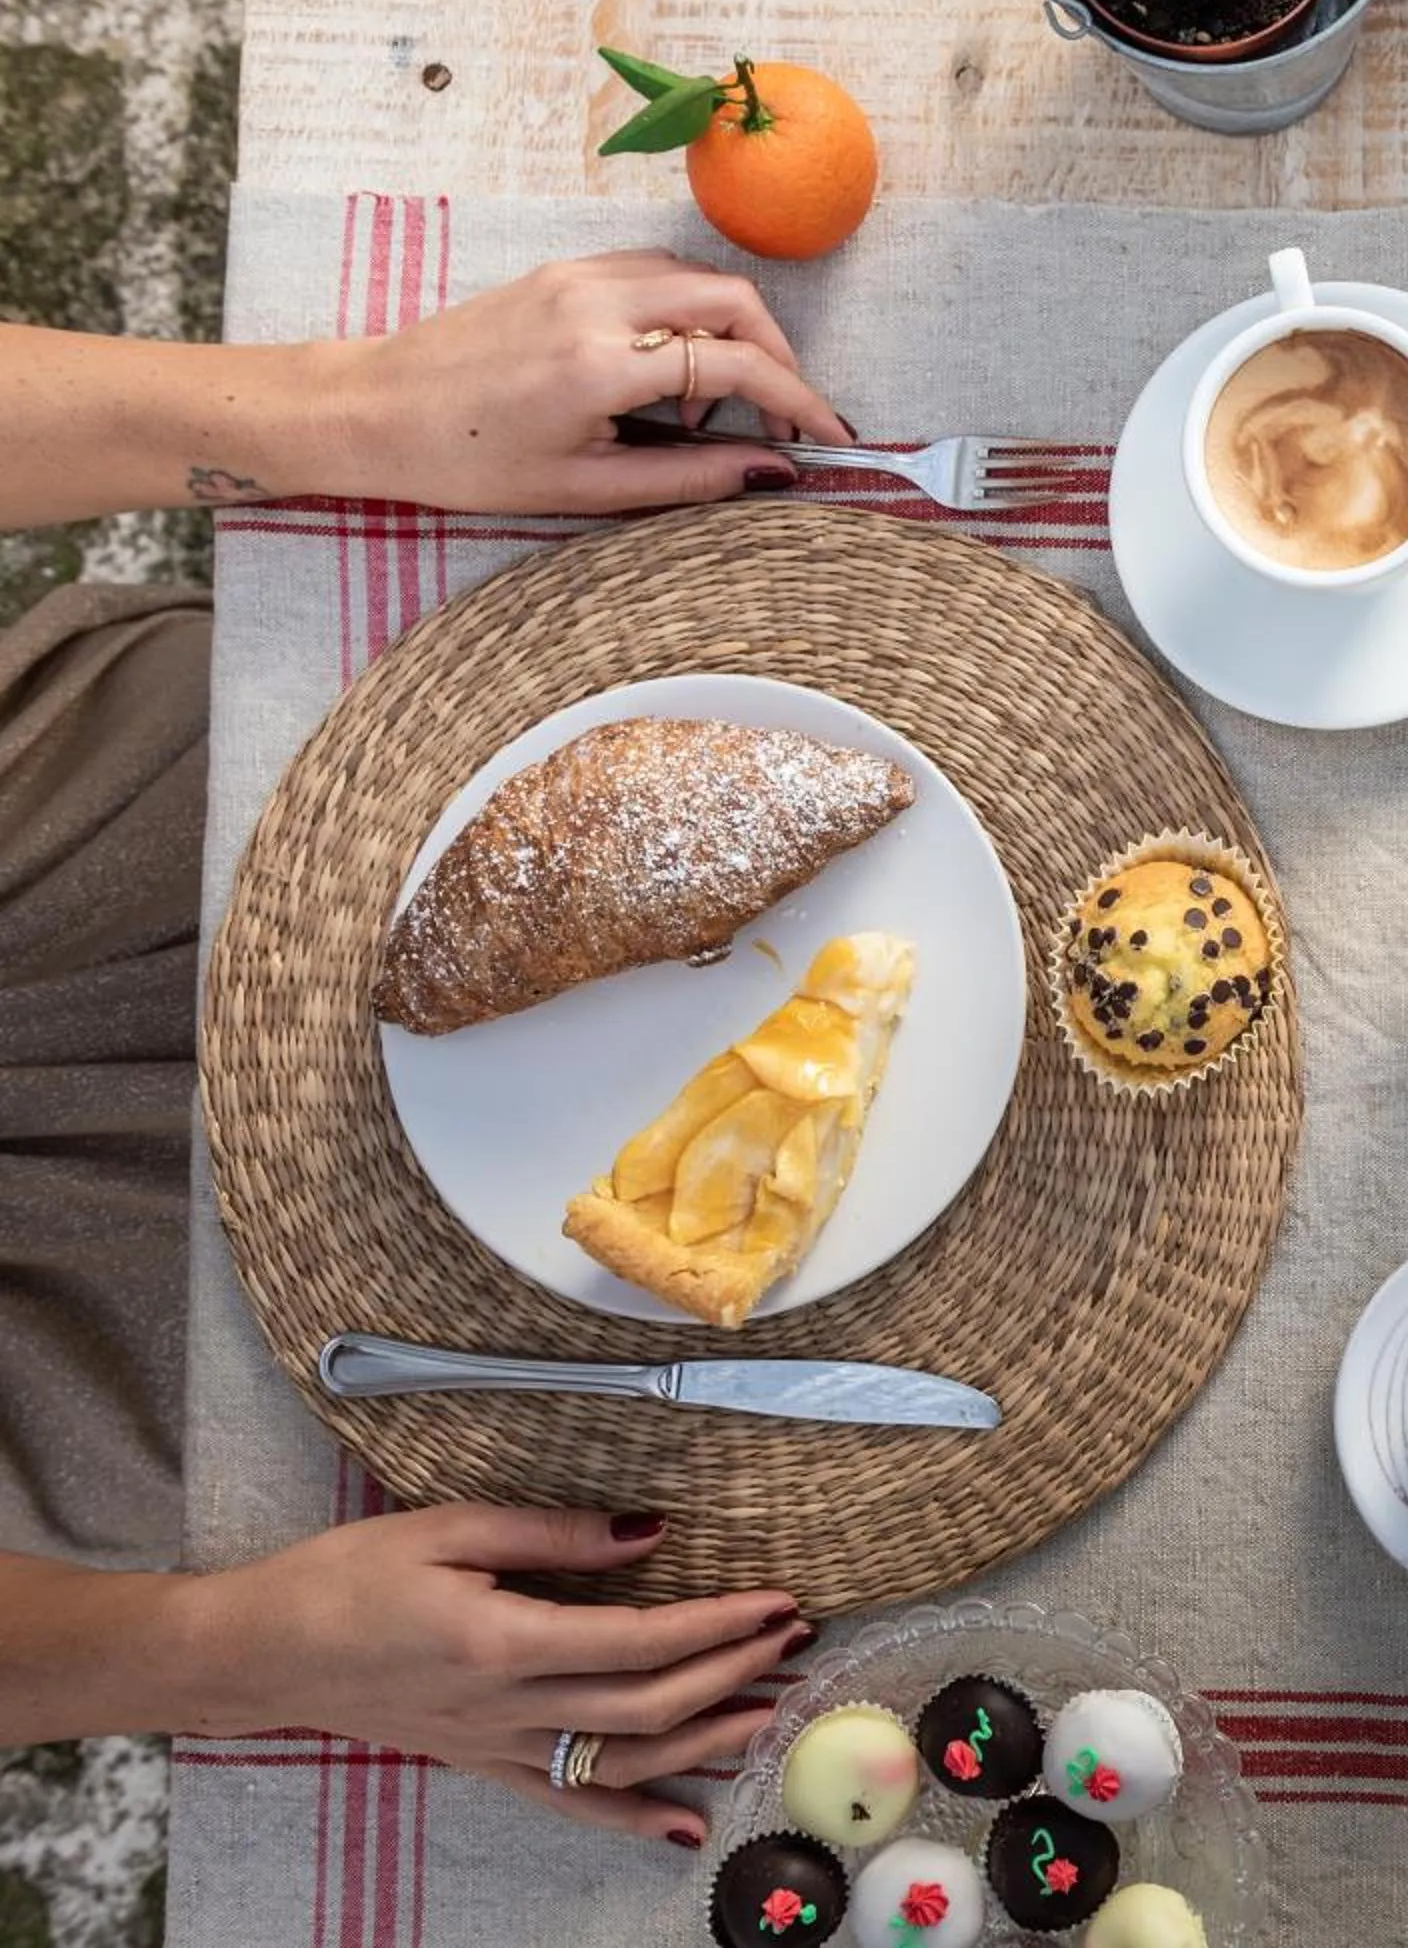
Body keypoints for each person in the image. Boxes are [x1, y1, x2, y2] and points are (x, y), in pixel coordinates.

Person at [1, 248, 852, 1847]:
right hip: (85, 1338)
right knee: (394, 1404)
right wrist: (229, 1654)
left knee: (332, 766)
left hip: (74, 819)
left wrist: (346, 403)